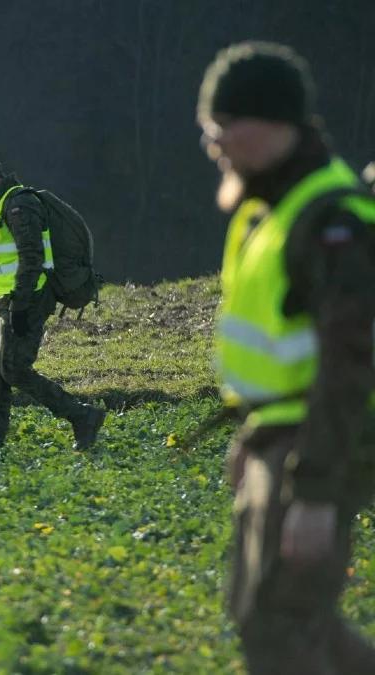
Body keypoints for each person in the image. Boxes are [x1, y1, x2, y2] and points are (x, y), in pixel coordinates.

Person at [199, 41, 375, 673]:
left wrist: (317, 494)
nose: (214, 142)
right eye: (208, 127)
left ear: (273, 124)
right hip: (280, 437)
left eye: (224, 126)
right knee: (270, 618)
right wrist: (252, 432)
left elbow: (348, 365)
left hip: (321, 445)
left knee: (281, 625)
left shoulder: (331, 219)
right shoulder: (266, 207)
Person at [0, 153, 106, 453]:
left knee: (14, 368)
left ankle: (83, 416)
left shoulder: (19, 205)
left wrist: (21, 305)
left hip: (27, 299)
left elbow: (32, 258)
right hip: (3, 301)